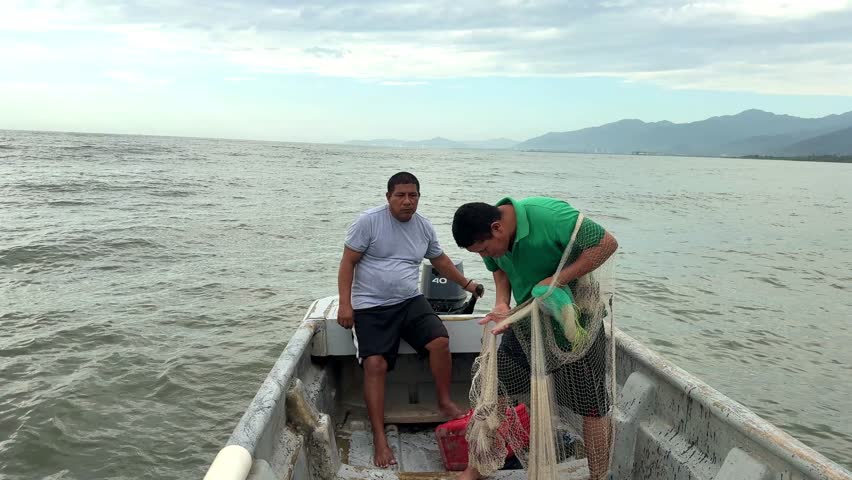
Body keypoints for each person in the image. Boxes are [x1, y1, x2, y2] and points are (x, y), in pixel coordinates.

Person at [451, 196, 618, 480]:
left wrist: (559, 279)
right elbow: (500, 269)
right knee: (493, 388)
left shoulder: (551, 218)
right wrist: (503, 303)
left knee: (592, 402)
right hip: (527, 320)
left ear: (497, 228)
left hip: (576, 324)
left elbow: (606, 244)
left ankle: (598, 475)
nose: (484, 255)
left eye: (484, 248)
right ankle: (475, 469)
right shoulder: (491, 244)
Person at [337, 171, 481, 468]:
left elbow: (439, 260)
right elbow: (348, 262)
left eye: (412, 195)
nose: (407, 201)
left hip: (409, 301)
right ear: (388, 196)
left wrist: (467, 284)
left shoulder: (424, 227)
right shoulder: (369, 222)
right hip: (370, 306)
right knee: (375, 364)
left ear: (419, 197)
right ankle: (379, 436)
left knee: (440, 341)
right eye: (400, 195)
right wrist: (345, 304)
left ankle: (444, 401)